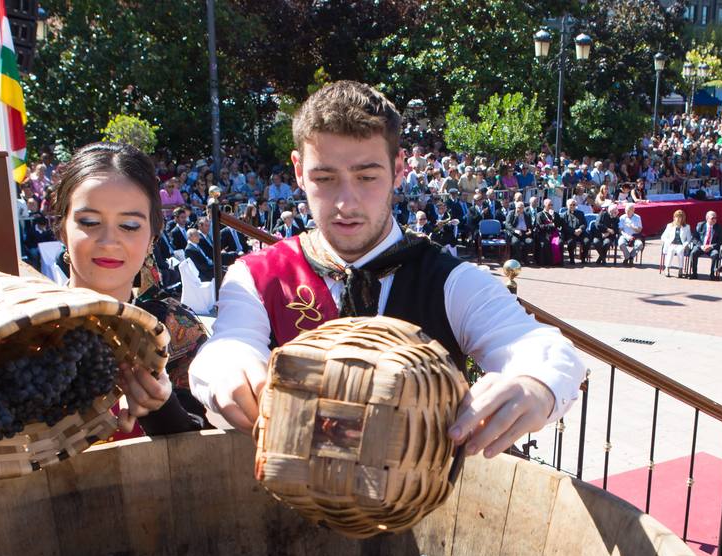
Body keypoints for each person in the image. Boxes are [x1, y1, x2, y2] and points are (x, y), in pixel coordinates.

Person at [190, 81, 584, 458]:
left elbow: (539, 346)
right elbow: (230, 344)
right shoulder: (257, 276)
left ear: (398, 168)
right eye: (324, 178)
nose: (346, 203)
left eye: (366, 177)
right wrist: (227, 369)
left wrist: (535, 384)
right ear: (297, 170)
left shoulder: (451, 281)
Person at [0, 142, 210, 439]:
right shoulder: (7, 329)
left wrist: (161, 408)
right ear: (61, 228)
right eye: (89, 222)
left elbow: (205, 459)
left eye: (129, 225)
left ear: (152, 236)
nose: (109, 241)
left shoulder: (175, 332)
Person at [688, 210, 722, 280]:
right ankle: (694, 273)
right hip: (701, 246)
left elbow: (720, 241)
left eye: (715, 218)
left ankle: (712, 274)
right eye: (712, 218)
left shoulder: (718, 227)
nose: (714, 220)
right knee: (693, 253)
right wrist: (701, 246)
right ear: (707, 218)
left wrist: (711, 246)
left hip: (711, 248)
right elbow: (694, 238)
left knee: (715, 254)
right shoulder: (700, 225)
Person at [659, 208, 691, 278]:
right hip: (671, 244)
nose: (678, 219)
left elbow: (689, 239)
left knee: (680, 251)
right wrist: (668, 242)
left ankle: (680, 269)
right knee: (670, 251)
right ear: (674, 217)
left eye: (680, 217)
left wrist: (686, 244)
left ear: (683, 218)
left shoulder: (687, 227)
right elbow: (663, 237)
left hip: (680, 244)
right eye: (677, 217)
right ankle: (667, 268)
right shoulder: (669, 226)